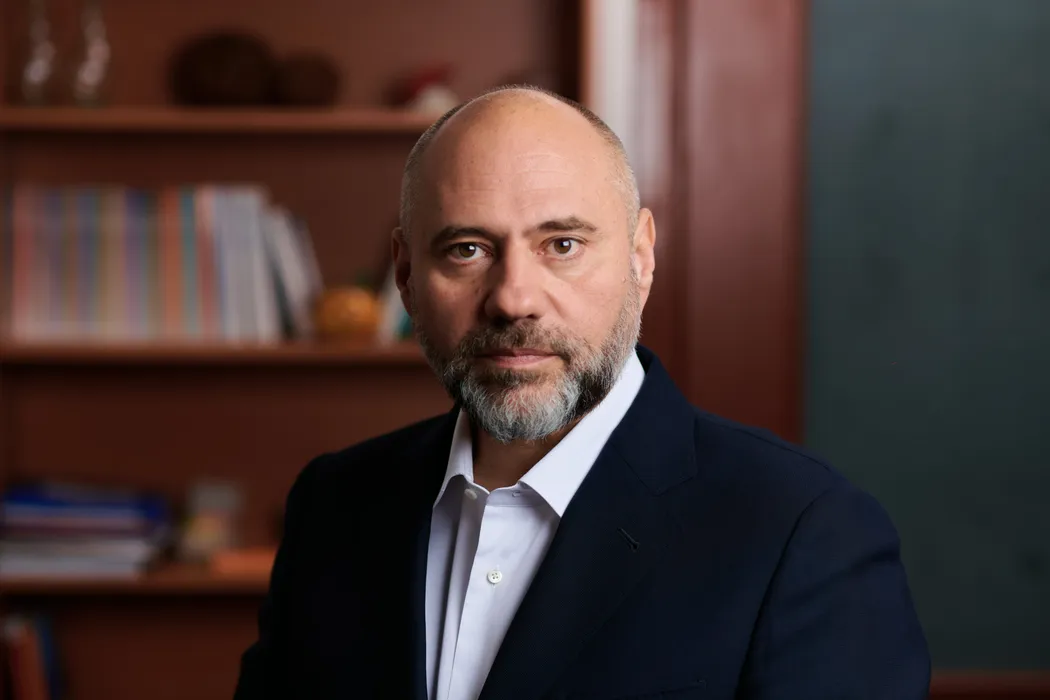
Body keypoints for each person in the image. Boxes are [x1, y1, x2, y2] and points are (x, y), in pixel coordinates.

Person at [234, 85, 930, 700]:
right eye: (467, 249)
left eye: (562, 244)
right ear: (407, 277)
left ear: (641, 258)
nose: (513, 299)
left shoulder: (803, 531)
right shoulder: (334, 505)